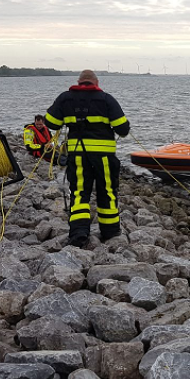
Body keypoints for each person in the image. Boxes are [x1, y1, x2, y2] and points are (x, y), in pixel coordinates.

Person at [45, 70, 130, 247]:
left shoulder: (65, 98)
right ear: (96, 83)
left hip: (77, 155)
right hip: (104, 157)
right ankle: (110, 231)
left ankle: (79, 233)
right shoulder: (106, 99)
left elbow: (51, 122)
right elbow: (123, 128)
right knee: (106, 191)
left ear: (79, 81)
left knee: (79, 192)